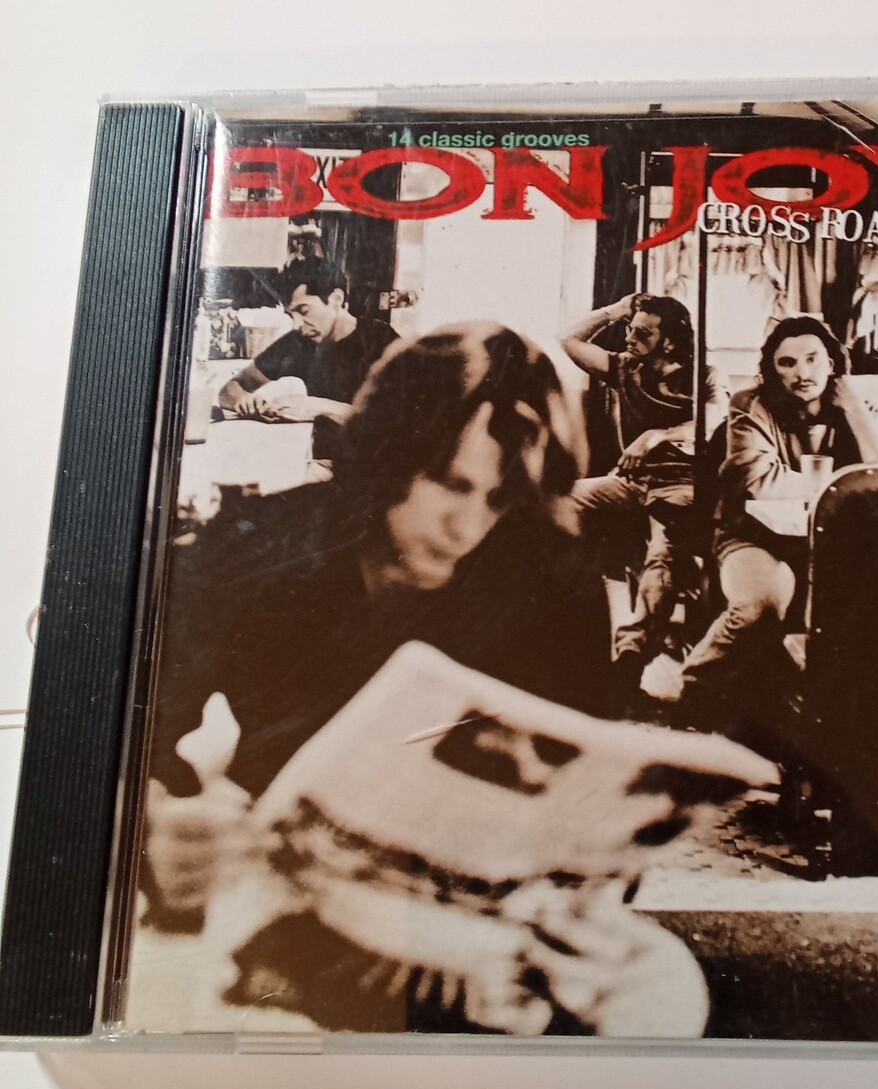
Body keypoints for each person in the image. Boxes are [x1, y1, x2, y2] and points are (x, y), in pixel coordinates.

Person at [142, 322, 770, 1038]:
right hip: (290, 884)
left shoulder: (546, 574)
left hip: (482, 912)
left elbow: (583, 785)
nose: (468, 526)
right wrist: (158, 826)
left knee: (660, 992)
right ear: (386, 455)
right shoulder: (263, 543)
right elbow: (135, 729)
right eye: (451, 484)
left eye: (499, 499)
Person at [673, 316, 878, 704]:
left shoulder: (859, 407)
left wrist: (854, 410)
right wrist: (846, 489)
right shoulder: (750, 405)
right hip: (751, 536)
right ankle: (694, 690)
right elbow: (758, 482)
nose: (802, 373)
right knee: (762, 601)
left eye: (813, 359)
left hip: (835, 541)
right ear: (773, 370)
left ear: (831, 363)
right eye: (788, 363)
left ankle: (824, 703)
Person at [561, 293, 725, 674]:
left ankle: (632, 653)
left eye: (643, 334)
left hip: (681, 484)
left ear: (668, 342)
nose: (630, 339)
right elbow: (567, 339)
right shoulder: (625, 367)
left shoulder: (704, 375)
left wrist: (655, 436)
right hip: (630, 481)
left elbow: (714, 422)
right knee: (556, 501)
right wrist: (615, 311)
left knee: (662, 555)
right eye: (630, 330)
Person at [217, 257, 398, 455]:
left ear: (336, 299)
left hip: (375, 462)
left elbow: (399, 420)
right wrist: (245, 401)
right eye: (290, 315)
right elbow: (230, 388)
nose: (297, 325)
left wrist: (318, 406)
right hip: (322, 459)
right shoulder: (298, 342)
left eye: (304, 311)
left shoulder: (381, 339)